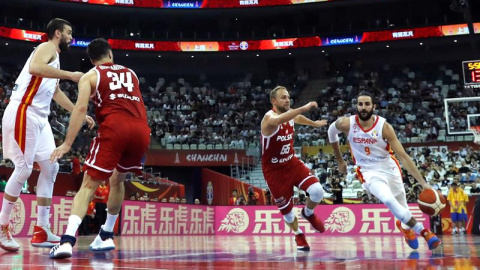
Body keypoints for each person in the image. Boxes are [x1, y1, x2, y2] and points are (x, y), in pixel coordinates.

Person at [49, 38, 150, 259]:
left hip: (115, 128)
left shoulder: (91, 75)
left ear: (92, 59)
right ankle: (106, 234)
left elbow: (82, 107)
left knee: (88, 186)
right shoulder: (131, 72)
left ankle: (66, 241)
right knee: (118, 179)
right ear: (110, 54)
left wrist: (67, 143)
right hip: (141, 129)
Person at [0, 18, 94, 252]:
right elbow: (35, 68)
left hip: (40, 118)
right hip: (24, 110)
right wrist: (70, 75)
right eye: (69, 33)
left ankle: (42, 230)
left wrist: (77, 112)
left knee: (50, 167)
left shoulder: (55, 56)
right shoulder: (46, 47)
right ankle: (2, 227)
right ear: (57, 33)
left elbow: (55, 92)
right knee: (24, 168)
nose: (72, 37)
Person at [328, 92, 441, 250]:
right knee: (388, 200)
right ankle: (424, 231)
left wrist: (423, 183)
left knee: (402, 207)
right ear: (356, 106)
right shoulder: (346, 123)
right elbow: (331, 132)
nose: (363, 107)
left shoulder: (384, 127)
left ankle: (405, 228)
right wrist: (340, 160)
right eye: (360, 104)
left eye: (367, 104)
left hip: (389, 168)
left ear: (374, 106)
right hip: (367, 171)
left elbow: (403, 156)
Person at [261, 86, 327, 251]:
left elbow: (296, 118)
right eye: (283, 97)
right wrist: (304, 107)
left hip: (291, 163)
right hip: (274, 170)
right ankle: (298, 234)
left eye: (288, 97)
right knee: (288, 213)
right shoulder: (269, 118)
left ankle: (308, 213)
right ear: (273, 101)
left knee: (318, 191)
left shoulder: (290, 116)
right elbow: (278, 120)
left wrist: (314, 123)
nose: (287, 100)